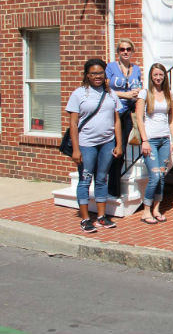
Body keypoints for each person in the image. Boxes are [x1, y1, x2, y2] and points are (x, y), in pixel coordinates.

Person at [66, 58, 123, 233]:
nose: (97, 76)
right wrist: (76, 149)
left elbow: (116, 121)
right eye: (93, 73)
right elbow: (73, 124)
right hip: (86, 144)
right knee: (85, 180)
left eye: (100, 73)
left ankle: (101, 216)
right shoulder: (79, 94)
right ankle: (84, 219)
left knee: (102, 179)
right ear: (87, 75)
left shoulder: (110, 93)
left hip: (107, 143)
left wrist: (119, 143)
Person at [135, 63, 173, 224]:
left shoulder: (168, 94)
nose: (158, 77)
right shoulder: (144, 94)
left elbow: (171, 119)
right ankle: (146, 210)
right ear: (151, 77)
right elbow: (139, 118)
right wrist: (144, 140)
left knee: (162, 176)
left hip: (164, 139)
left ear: (164, 76)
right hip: (150, 140)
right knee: (155, 176)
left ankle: (156, 209)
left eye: (161, 74)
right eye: (155, 75)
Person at [105, 38, 141, 198]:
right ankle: (109, 186)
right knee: (112, 147)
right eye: (122, 49)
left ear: (132, 51)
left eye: (128, 49)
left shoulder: (136, 69)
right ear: (118, 52)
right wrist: (124, 94)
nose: (125, 52)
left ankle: (114, 186)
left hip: (128, 113)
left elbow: (137, 87)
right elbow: (105, 87)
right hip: (112, 113)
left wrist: (137, 93)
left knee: (122, 150)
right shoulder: (111, 67)